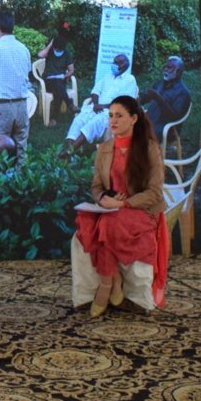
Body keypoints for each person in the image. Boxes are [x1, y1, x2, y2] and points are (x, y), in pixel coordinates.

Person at [75, 95, 168, 318]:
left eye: (119, 116)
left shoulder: (149, 149)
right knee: (90, 223)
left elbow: (154, 193)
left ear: (134, 118)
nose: (112, 121)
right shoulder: (105, 148)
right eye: (110, 116)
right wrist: (102, 200)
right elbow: (96, 186)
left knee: (107, 224)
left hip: (141, 210)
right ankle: (114, 282)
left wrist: (123, 203)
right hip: (110, 208)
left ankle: (107, 284)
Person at [60, 53, 138, 158]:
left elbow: (125, 102)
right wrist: (96, 104)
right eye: (114, 62)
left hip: (112, 112)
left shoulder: (130, 80)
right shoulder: (108, 76)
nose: (113, 64)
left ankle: (69, 152)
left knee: (93, 124)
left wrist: (103, 106)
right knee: (78, 120)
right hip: (96, 107)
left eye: (116, 62)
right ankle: (69, 148)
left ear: (123, 65)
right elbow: (95, 91)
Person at [0, 11, 32, 160]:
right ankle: (21, 179)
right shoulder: (24, 49)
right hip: (22, 105)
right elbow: (26, 74)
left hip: (2, 107)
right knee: (21, 147)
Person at [139, 56, 192, 141]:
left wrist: (158, 98)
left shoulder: (183, 93)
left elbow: (173, 117)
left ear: (178, 72)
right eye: (166, 67)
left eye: (170, 67)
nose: (165, 69)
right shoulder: (159, 84)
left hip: (165, 128)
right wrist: (137, 99)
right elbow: (145, 99)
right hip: (149, 121)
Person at [37, 34, 80, 125]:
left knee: (58, 90)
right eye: (57, 49)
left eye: (60, 50)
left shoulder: (66, 53)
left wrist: (65, 76)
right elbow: (40, 55)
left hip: (61, 80)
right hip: (48, 81)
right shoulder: (49, 52)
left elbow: (71, 70)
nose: (58, 51)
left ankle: (54, 119)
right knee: (58, 85)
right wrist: (50, 45)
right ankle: (70, 105)